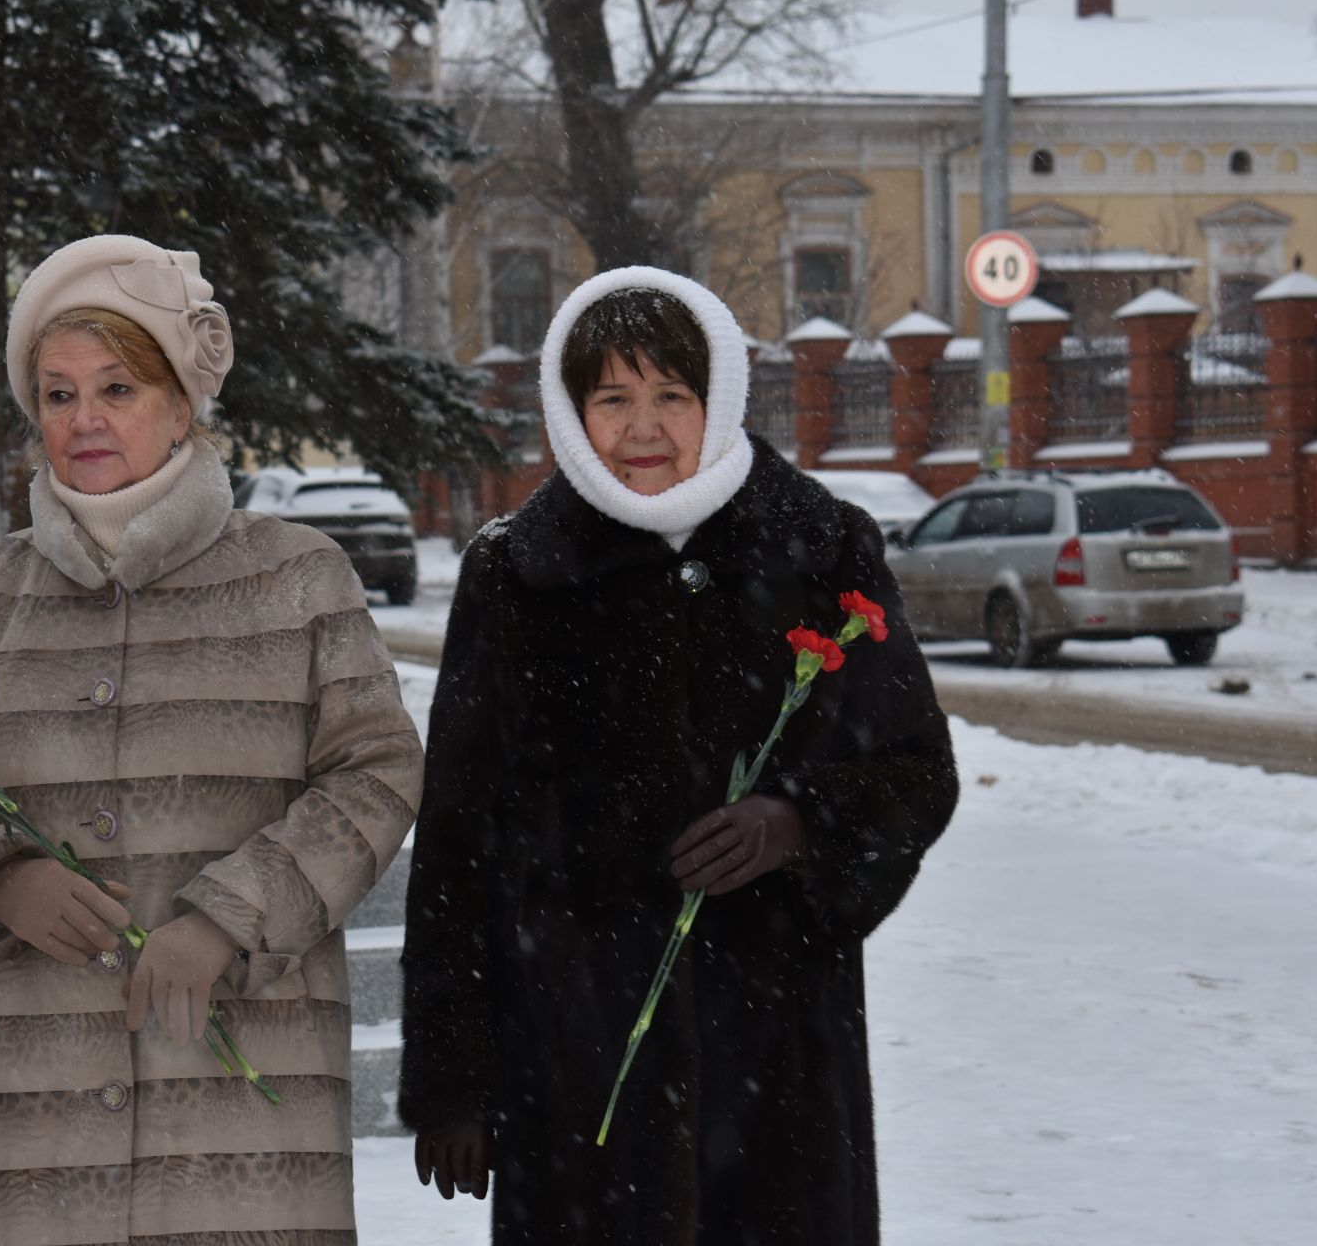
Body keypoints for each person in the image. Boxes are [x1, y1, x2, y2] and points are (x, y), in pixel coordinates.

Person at [0, 234, 423, 1245]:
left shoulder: (297, 578)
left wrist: (229, 917)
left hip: (240, 1122)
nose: (84, 419)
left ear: (180, 404)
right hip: (28, 1135)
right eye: (60, 392)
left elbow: (376, 774)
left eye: (117, 387)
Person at [398, 267, 959, 1244]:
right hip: (574, 1066)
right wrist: (453, 1076)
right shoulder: (517, 573)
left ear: (721, 400)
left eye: (672, 395)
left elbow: (915, 767)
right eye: (612, 398)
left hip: (781, 1068)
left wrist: (800, 822)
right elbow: (457, 840)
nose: (643, 426)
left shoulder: (822, 548)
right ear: (572, 413)